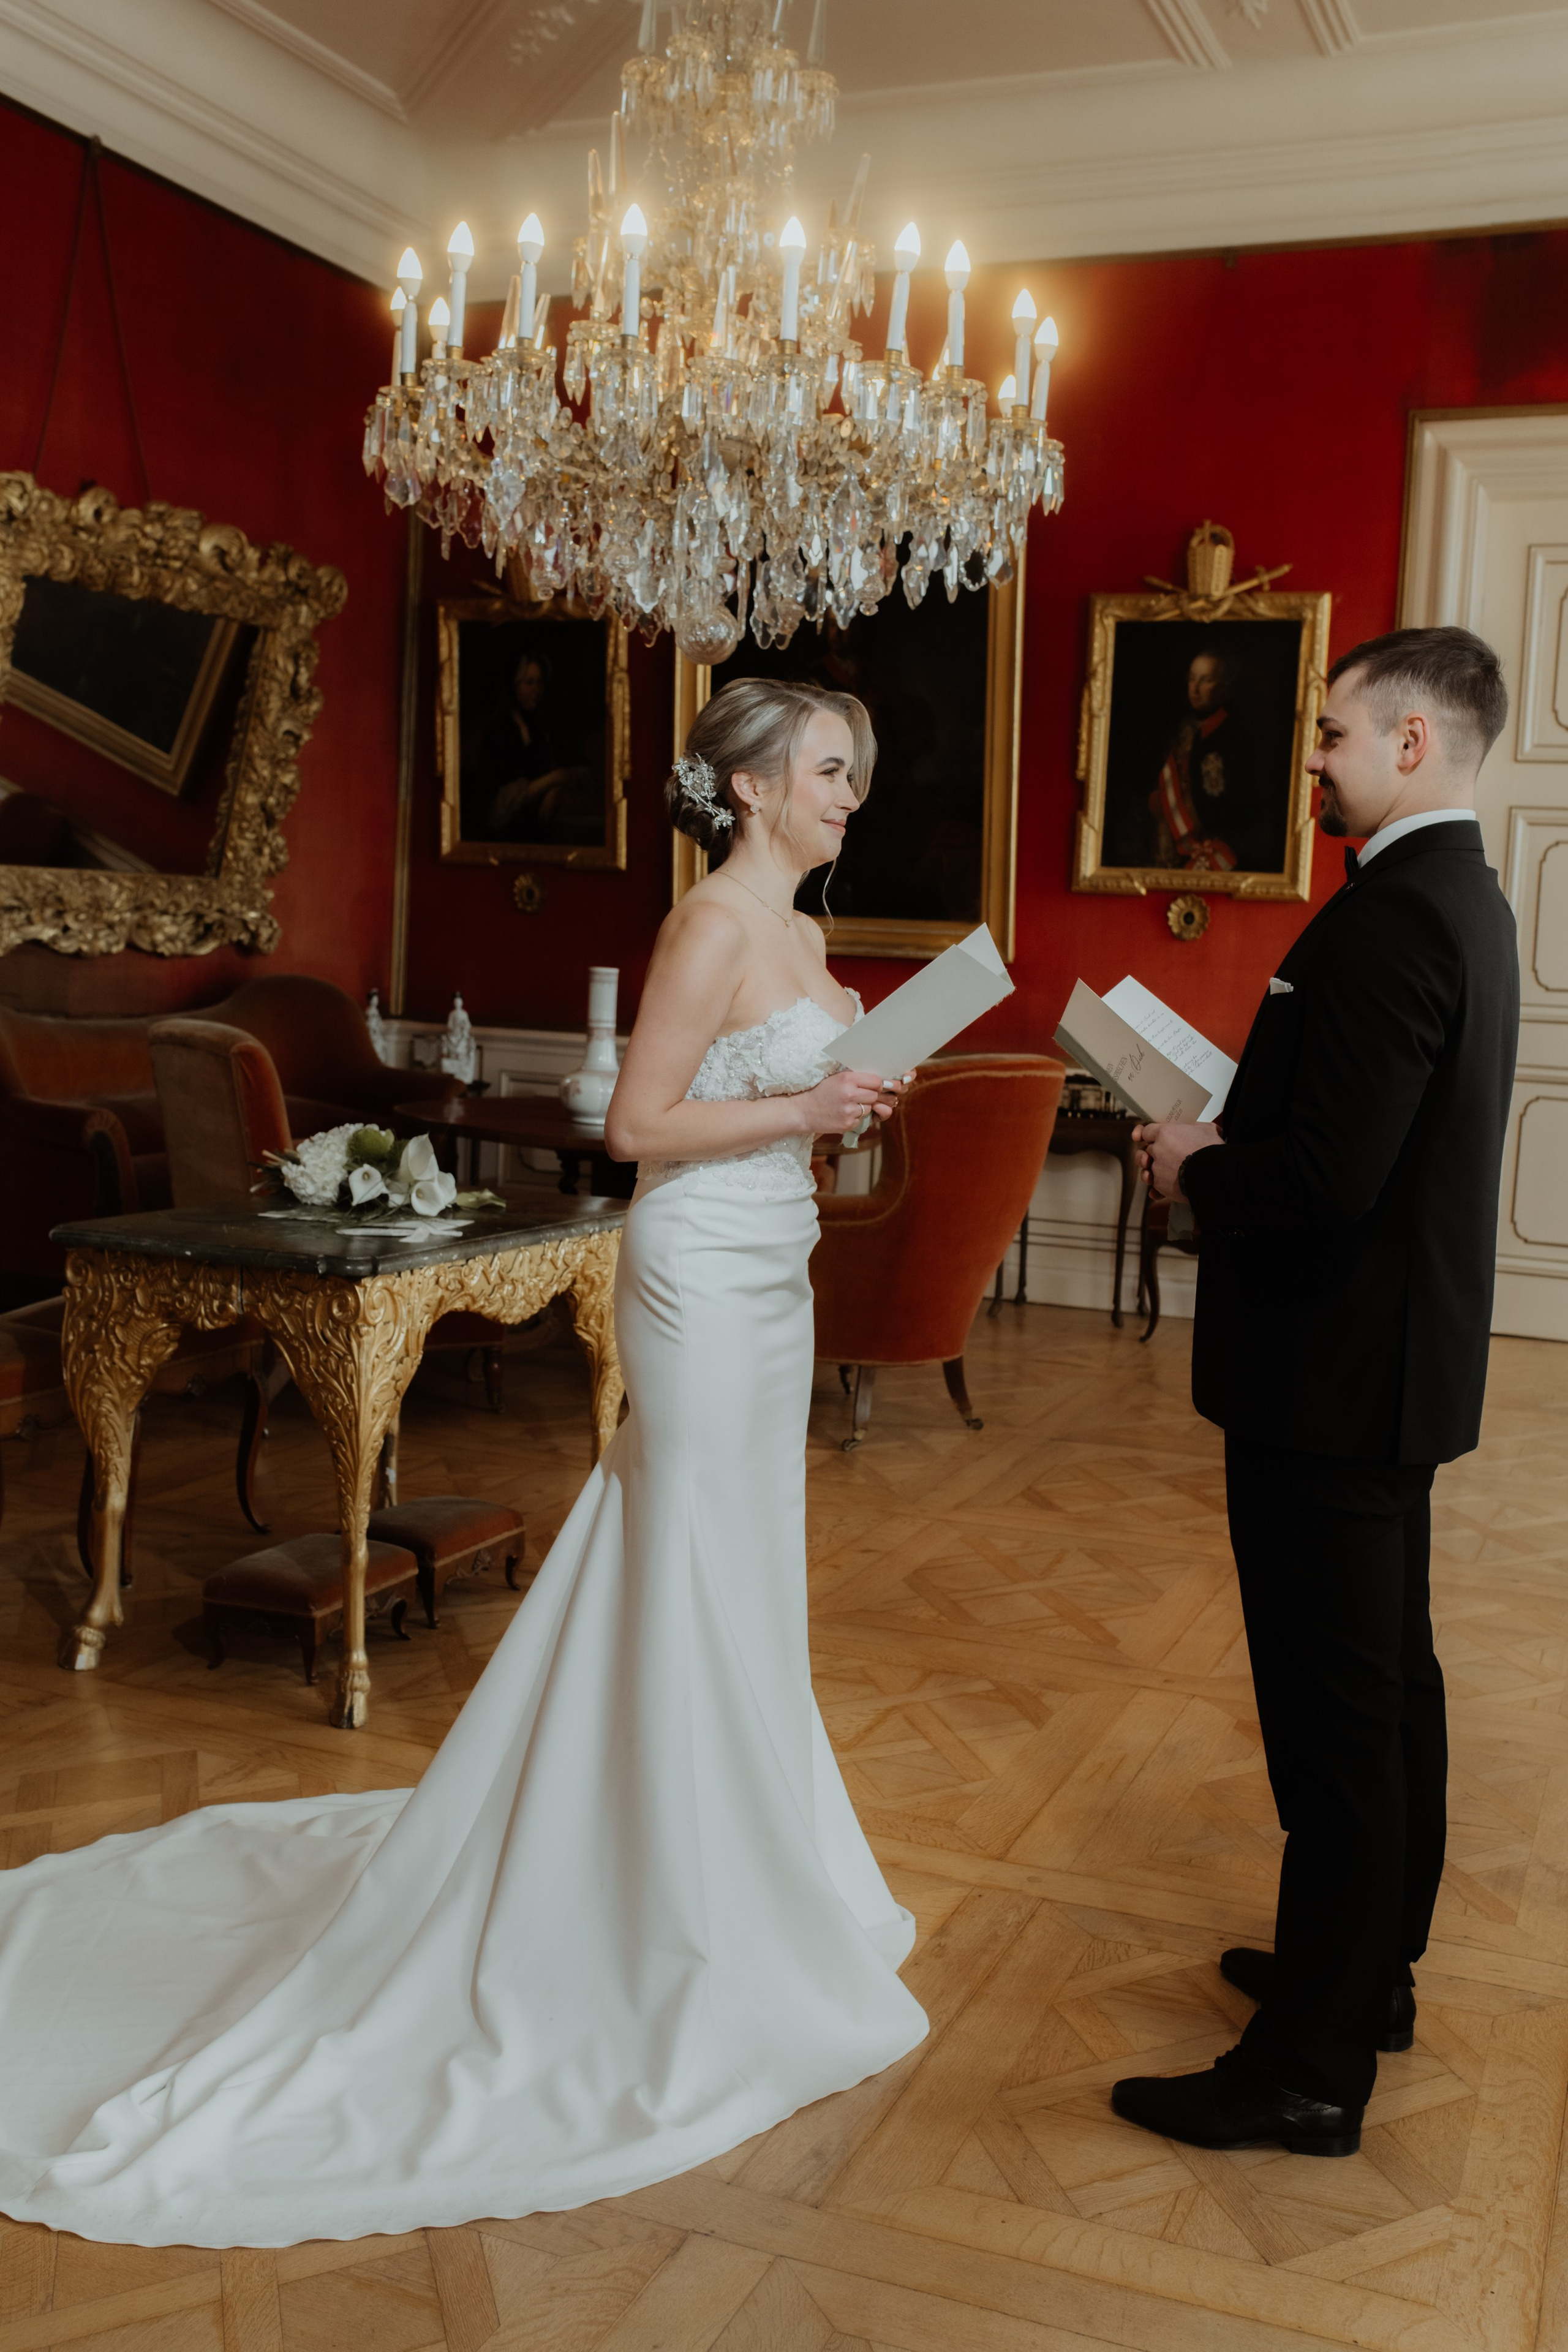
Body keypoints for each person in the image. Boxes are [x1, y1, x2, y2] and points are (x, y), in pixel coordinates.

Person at [0, 675, 927, 2250]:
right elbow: (637, 1127)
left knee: (737, 1565)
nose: (850, 792)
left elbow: (754, 1116)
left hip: (775, 1267)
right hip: (697, 1277)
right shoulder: (708, 925)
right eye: (829, 770)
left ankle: (729, 1857)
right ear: (753, 787)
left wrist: (828, 1114)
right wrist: (800, 1098)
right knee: (689, 1552)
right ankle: (670, 1894)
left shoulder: (812, 941)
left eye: (854, 770)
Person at [1114, 625, 1518, 2158]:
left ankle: (1307, 2065)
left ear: (1410, 744)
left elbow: (1333, 1181)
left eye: (1334, 735)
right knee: (1384, 1693)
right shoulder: (1457, 904)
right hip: (1379, 1371)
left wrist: (1196, 1157)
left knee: (1336, 1719)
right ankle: (1365, 1973)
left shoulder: (1389, 920)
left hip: (1328, 1380)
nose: (1314, 759)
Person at [1147, 648, 1262, 872]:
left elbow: (1243, 812)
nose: (1195, 689)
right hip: (1179, 849)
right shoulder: (1184, 732)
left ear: (1224, 687)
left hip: (1219, 853)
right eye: (1192, 679)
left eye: (1206, 680)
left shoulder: (1234, 738)